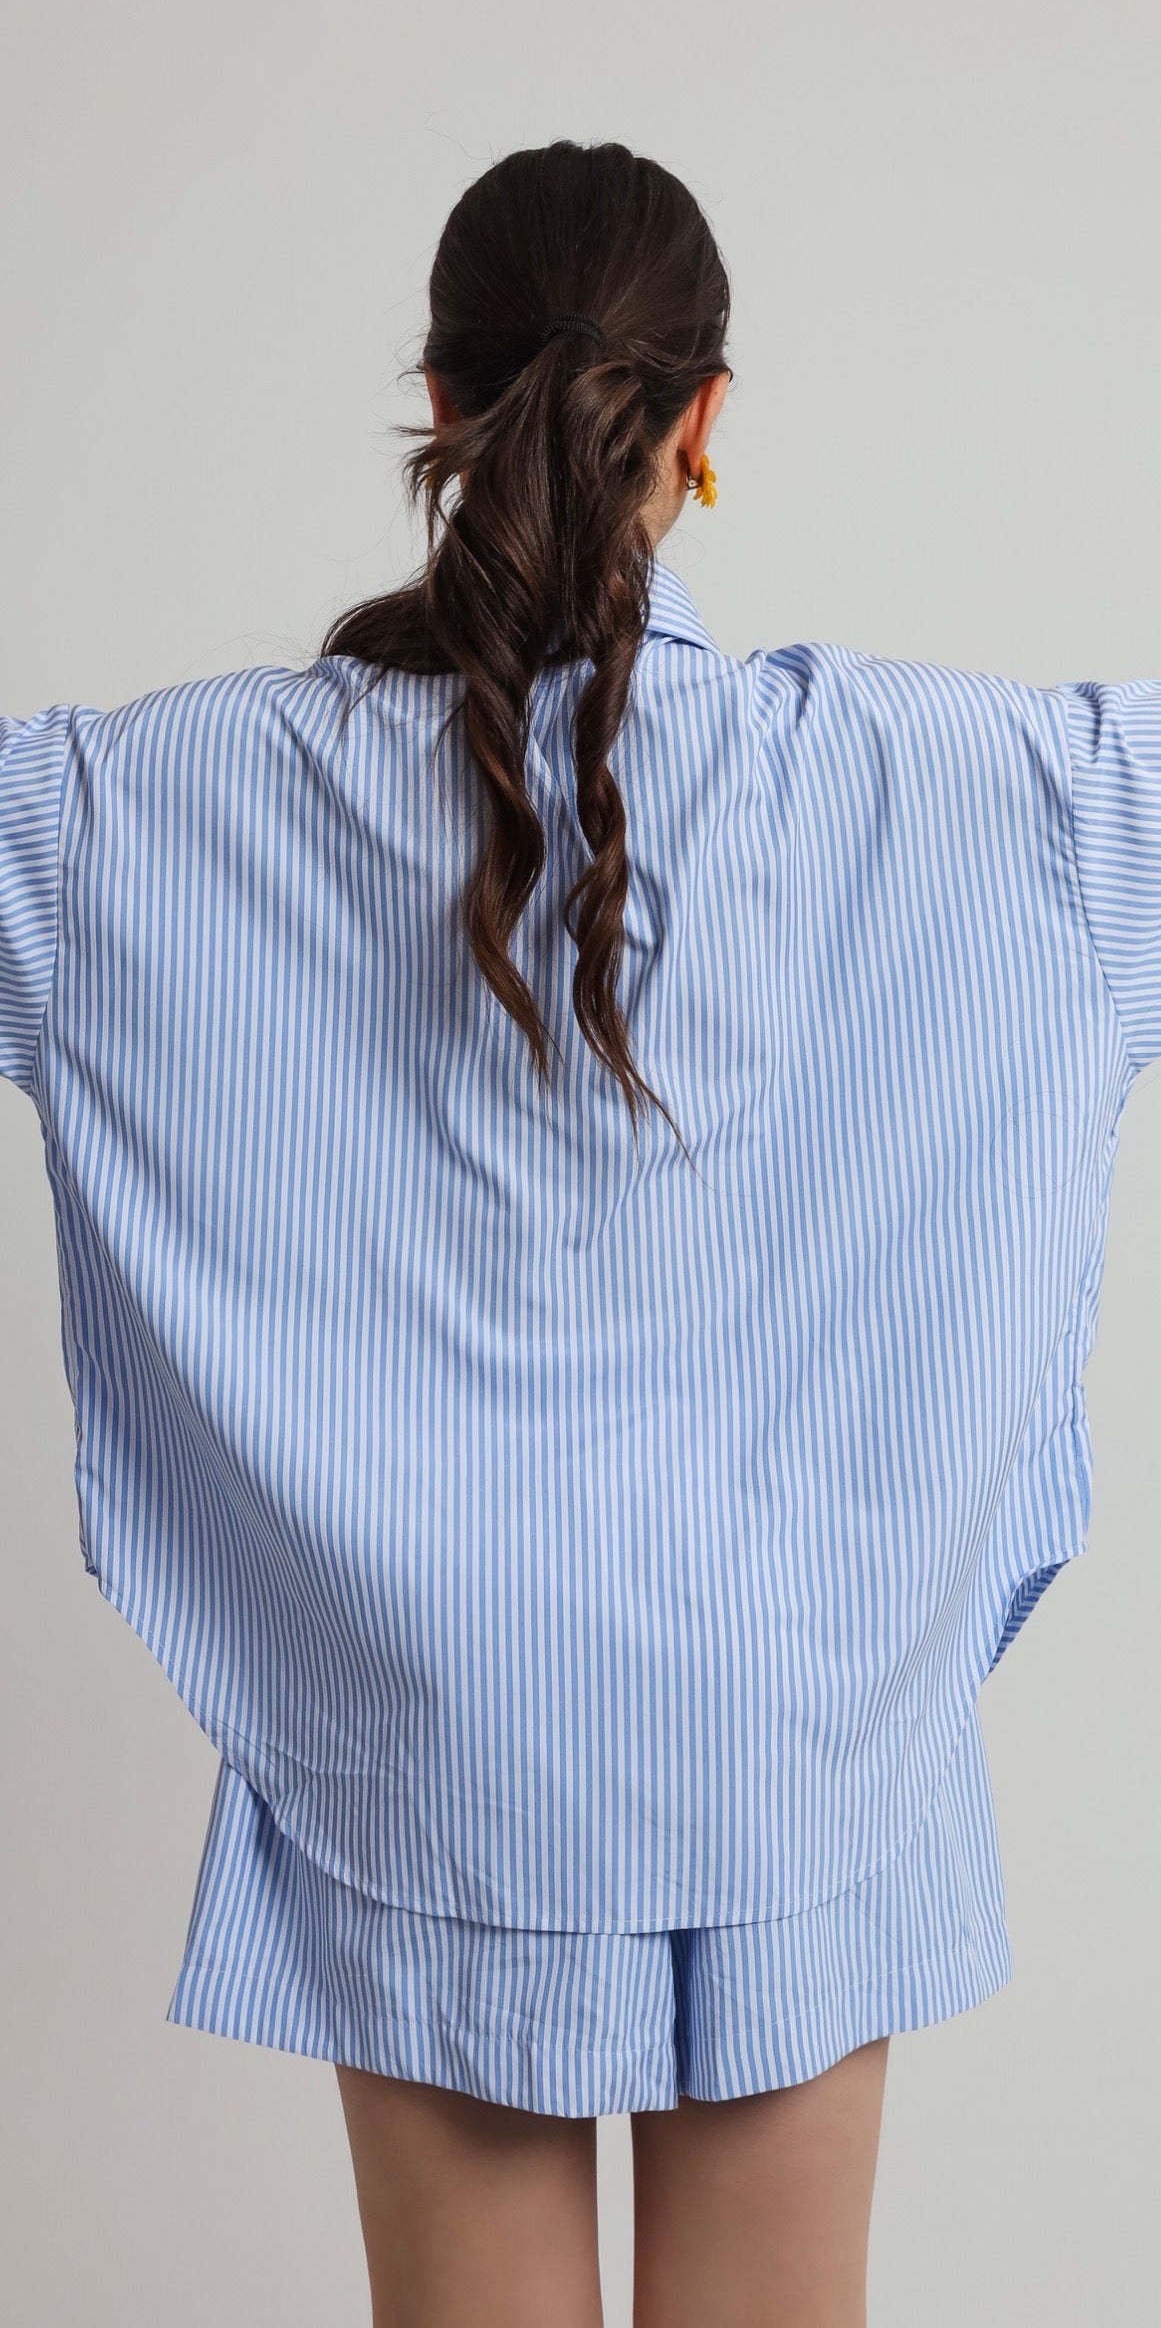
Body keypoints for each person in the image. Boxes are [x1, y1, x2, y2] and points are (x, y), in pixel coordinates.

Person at [2, 134, 1159, 2328]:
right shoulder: (984, 791)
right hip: (796, 1726)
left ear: (437, 410)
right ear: (704, 425)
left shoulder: (146, 808)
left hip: (429, 1731)